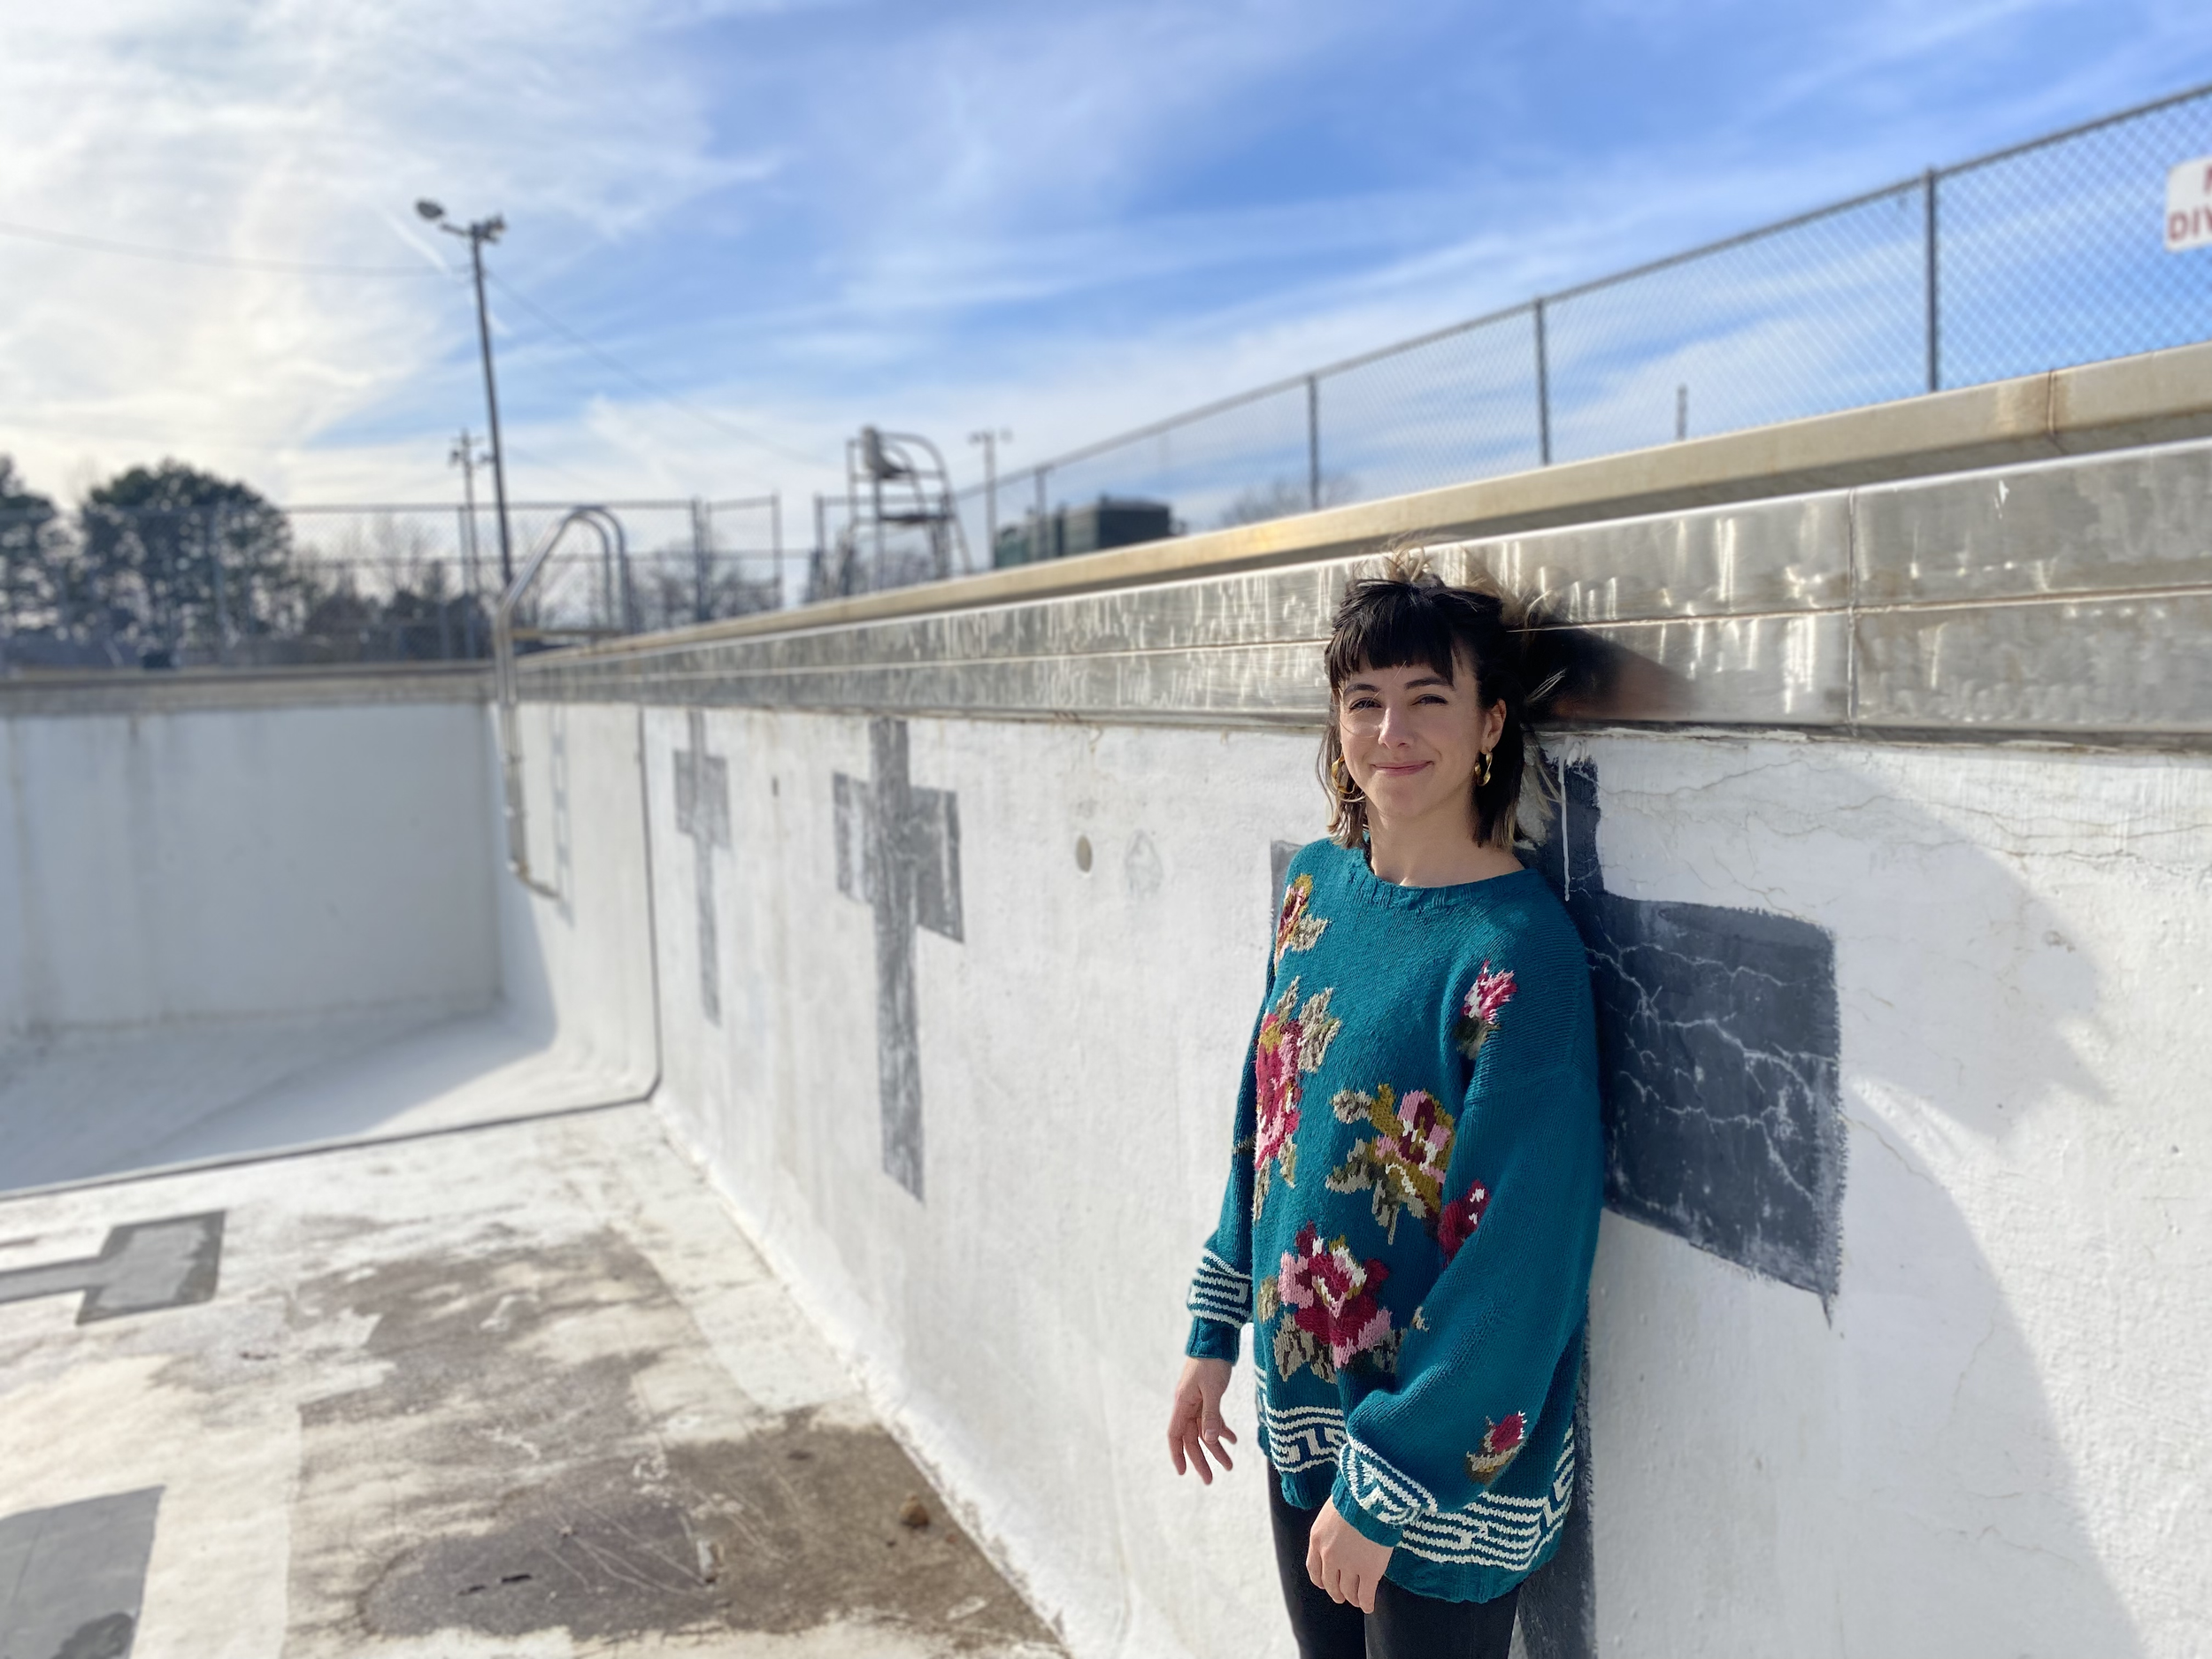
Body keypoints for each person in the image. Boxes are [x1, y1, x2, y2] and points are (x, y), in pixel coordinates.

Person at [1165, 555, 1604, 1659]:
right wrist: (1214, 1329)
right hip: (1303, 1425)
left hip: (1442, 1474)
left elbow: (1524, 1258)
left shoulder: (1518, 956)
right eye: (1363, 701)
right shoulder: (1314, 887)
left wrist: (1390, 1480)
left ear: (1490, 723)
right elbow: (1266, 1124)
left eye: (1428, 699)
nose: (1390, 731)